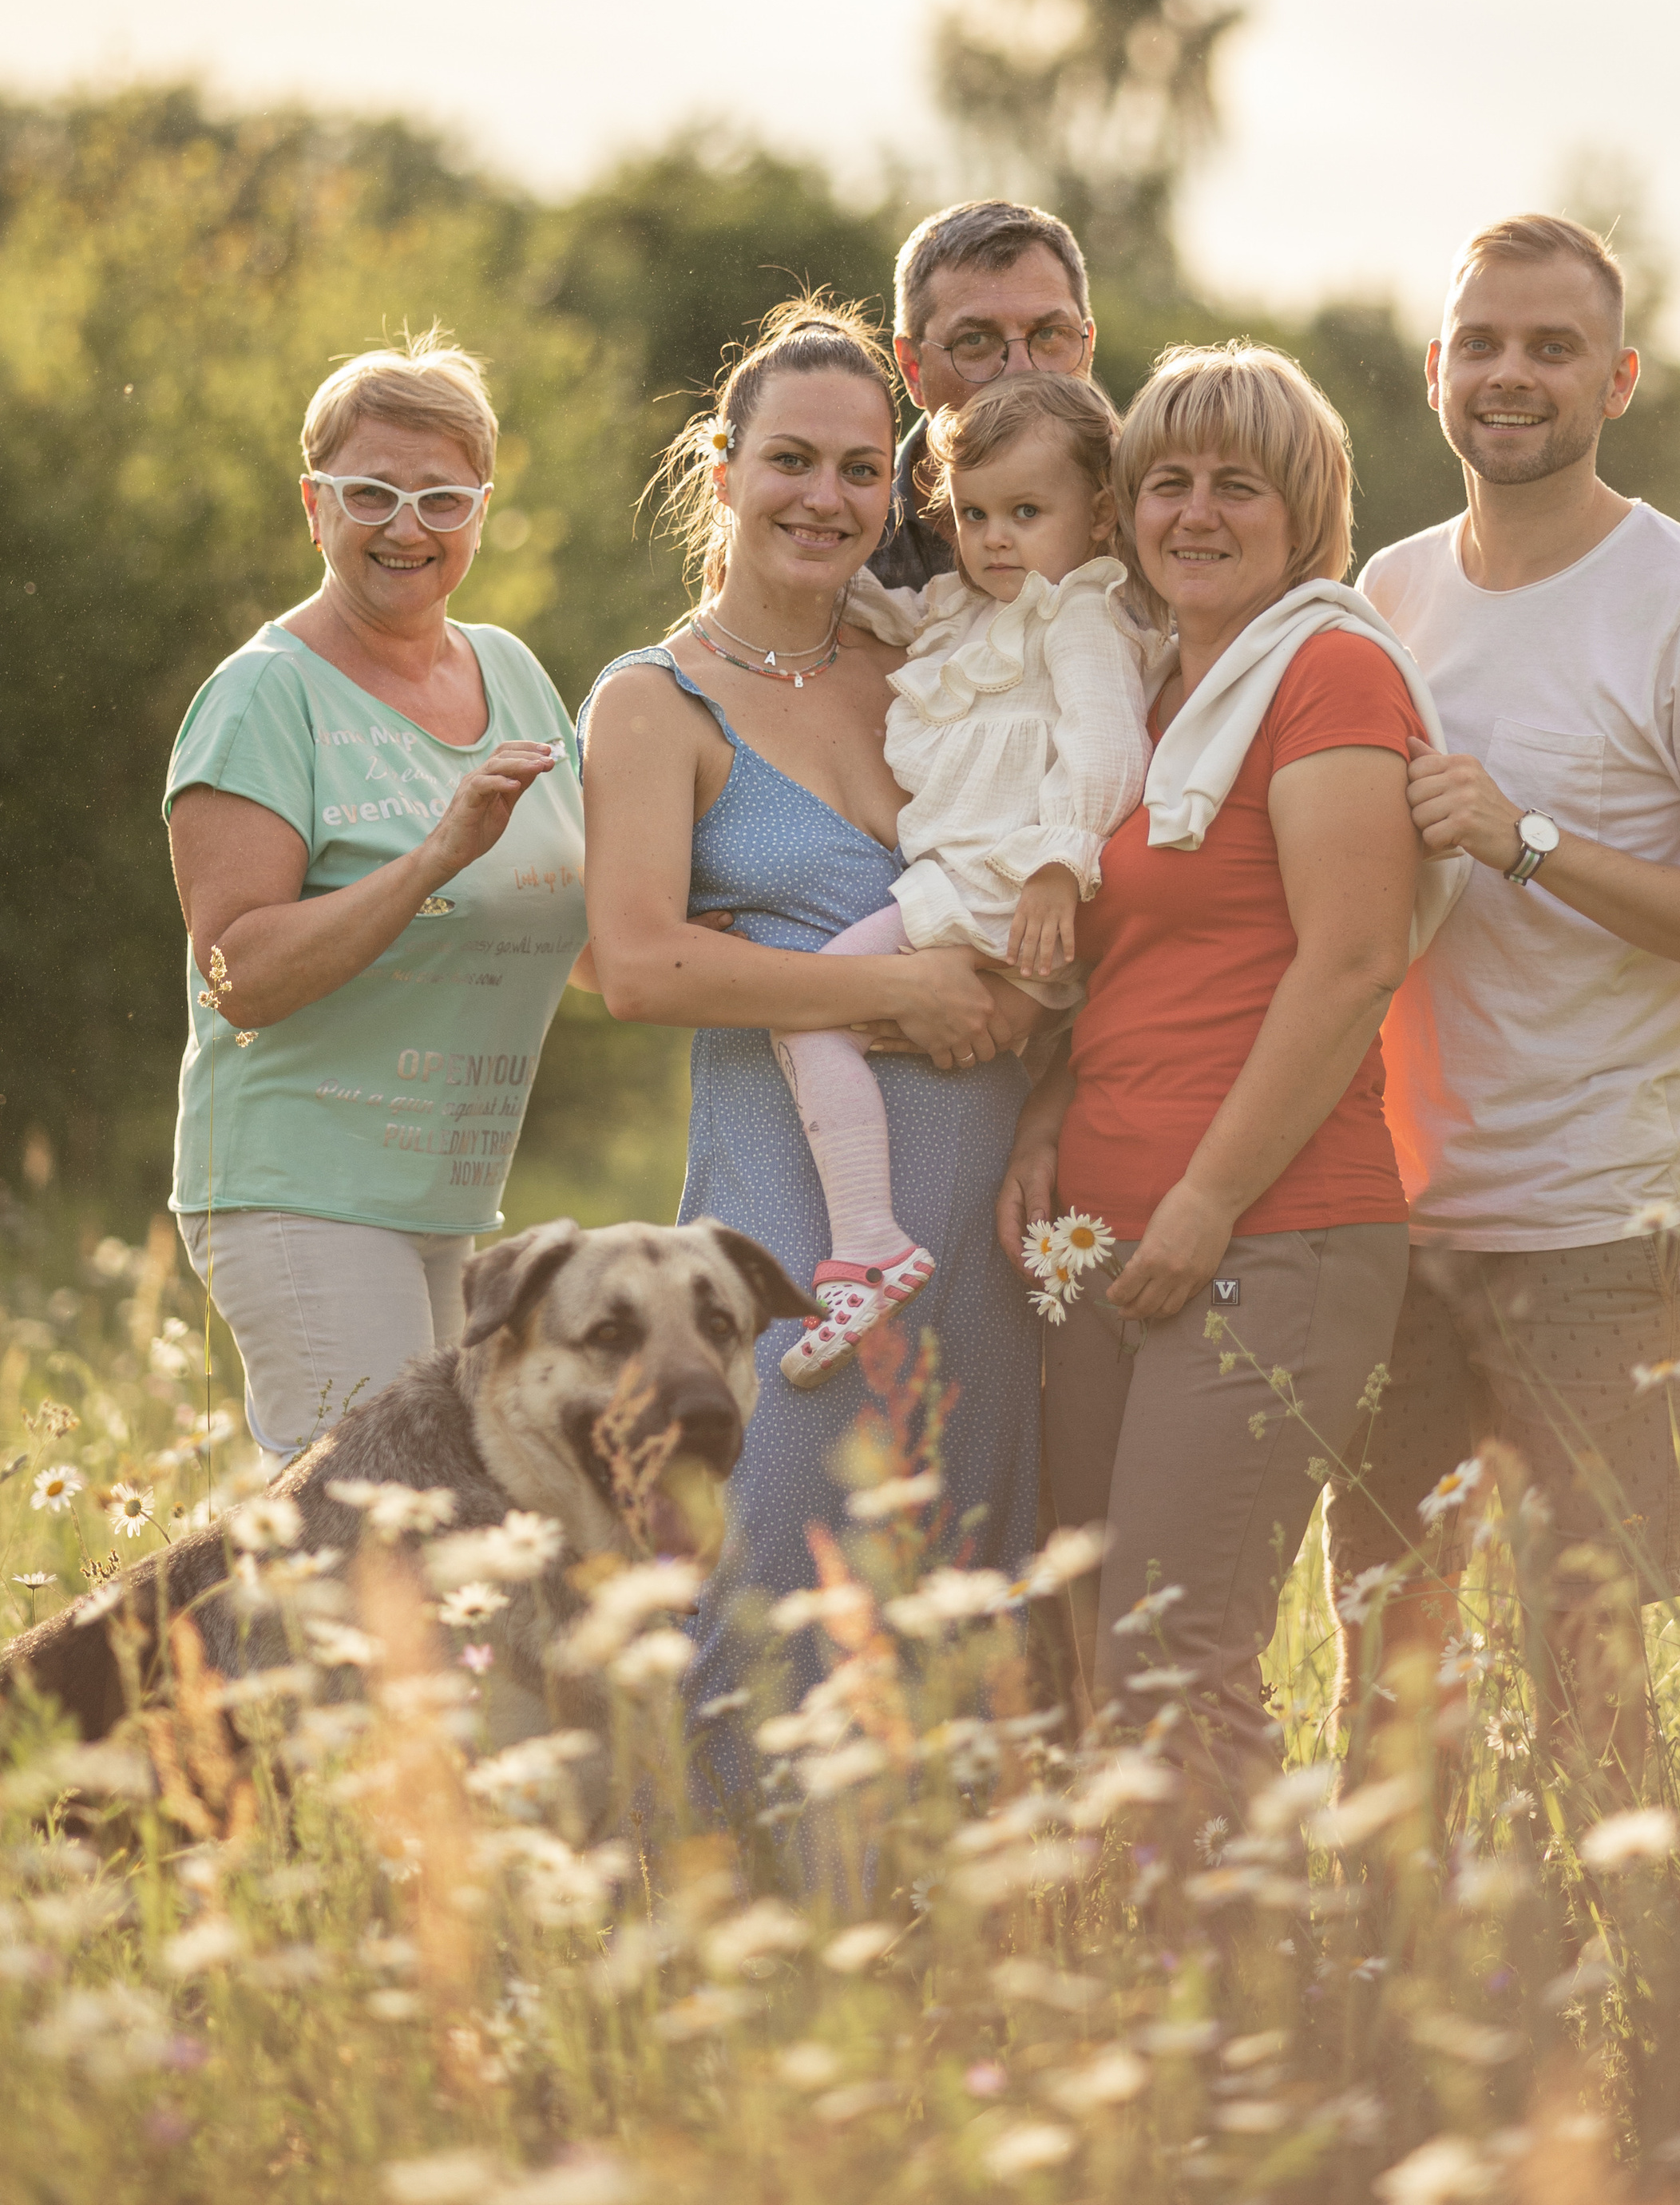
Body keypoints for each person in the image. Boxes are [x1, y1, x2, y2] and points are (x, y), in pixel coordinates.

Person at [1326, 213, 1680, 1775]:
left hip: (1604, 1225)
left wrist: (1525, 841)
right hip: (1396, 1219)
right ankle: (1388, 1939)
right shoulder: (1385, 591)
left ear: (1618, 379)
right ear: (1433, 370)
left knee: (1588, 1683)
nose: (1510, 374)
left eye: (1552, 347)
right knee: (1384, 1669)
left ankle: (1614, 1934)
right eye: (1481, 343)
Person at [997, 342, 1467, 1806]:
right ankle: (1139, 1936)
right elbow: (1137, 968)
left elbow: (1351, 961)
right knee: (1093, 1645)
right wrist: (1049, 1117)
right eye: (1169, 483)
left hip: (1271, 1233)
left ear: (1305, 512)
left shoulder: (1327, 671)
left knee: (1178, 1657)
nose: (1195, 513)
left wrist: (1205, 1202)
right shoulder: (1151, 700)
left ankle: (1243, 1946)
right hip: (1105, 1232)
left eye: (1238, 486)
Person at [577, 299, 1054, 1730]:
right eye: (790, 460)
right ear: (722, 470)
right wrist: (893, 988)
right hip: (796, 1241)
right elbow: (641, 966)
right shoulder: (653, 703)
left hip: (981, 1235)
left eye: (859, 470)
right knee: (770, 1602)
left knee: (963, 1620)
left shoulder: (930, 662)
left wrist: (1015, 1002)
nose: (825, 499)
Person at [164, 331, 588, 1456]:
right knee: (376, 1528)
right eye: (372, 494)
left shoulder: (513, 672)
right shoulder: (264, 696)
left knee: (439, 1528)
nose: (408, 526)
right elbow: (239, 973)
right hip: (301, 1190)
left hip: (448, 1197)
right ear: (315, 506)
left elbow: (581, 929)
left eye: (442, 498)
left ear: (482, 511)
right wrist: (432, 858)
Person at [773, 372, 1163, 1386]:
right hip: (971, 889)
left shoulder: (1079, 615)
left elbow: (1108, 749)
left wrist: (1057, 863)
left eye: (1027, 513)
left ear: (1101, 514)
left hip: (1002, 892)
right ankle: (871, 1241)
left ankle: (869, 1247)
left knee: (807, 1011)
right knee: (828, 1023)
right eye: (975, 514)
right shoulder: (965, 607)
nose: (995, 540)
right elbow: (874, 604)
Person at [866, 199, 1096, 593]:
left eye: (1049, 335)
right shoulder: (849, 540)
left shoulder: (1157, 525)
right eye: (975, 341)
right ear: (913, 369)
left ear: (1088, 349)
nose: (1021, 371)